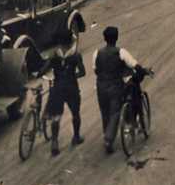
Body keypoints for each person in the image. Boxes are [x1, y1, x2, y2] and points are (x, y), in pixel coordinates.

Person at [93, 25, 143, 154]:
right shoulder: (121, 52)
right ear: (116, 38)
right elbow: (134, 64)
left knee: (104, 112)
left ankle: (107, 135)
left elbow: (96, 70)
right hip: (115, 86)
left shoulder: (97, 53)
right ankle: (108, 139)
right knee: (115, 112)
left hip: (101, 86)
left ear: (104, 38)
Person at [44, 10, 87, 155]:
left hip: (57, 88)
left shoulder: (54, 55)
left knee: (56, 116)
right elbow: (82, 72)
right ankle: (76, 137)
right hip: (71, 86)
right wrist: (73, 74)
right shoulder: (75, 55)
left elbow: (44, 69)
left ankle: (55, 142)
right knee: (75, 113)